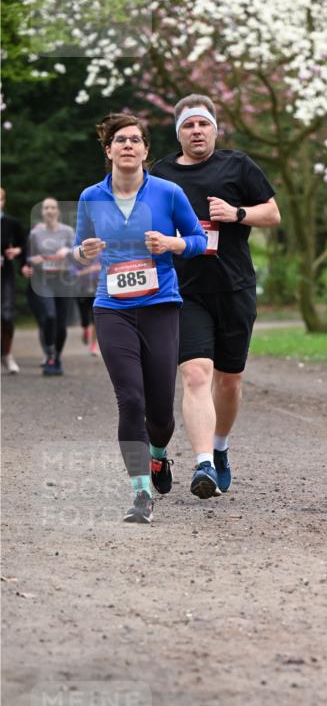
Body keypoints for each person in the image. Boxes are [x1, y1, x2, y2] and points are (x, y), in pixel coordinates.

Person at [73, 112, 206, 523]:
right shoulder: (90, 197)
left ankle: (158, 455)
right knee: (129, 399)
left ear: (146, 150)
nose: (128, 145)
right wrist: (84, 253)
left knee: (161, 411)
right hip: (112, 307)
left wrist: (172, 243)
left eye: (136, 140)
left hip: (160, 306)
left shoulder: (168, 193)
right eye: (120, 140)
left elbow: (199, 241)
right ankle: (140, 492)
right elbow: (79, 249)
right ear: (108, 149)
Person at [151, 94, 280, 499]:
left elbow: (273, 214)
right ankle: (203, 462)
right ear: (179, 133)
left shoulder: (237, 165)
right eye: (188, 125)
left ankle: (220, 447)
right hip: (184, 290)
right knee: (195, 374)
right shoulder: (162, 174)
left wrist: (237, 213)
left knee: (229, 380)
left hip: (234, 287)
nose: (196, 131)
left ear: (214, 128)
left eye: (203, 124)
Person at [24, 197, 75, 376]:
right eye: (46, 208)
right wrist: (33, 261)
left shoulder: (68, 231)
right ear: (42, 212)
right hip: (43, 280)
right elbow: (27, 257)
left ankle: (57, 357)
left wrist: (67, 251)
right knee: (50, 315)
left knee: (61, 325)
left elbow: (78, 254)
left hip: (63, 280)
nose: (50, 211)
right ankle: (50, 355)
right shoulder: (35, 234)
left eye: (53, 208)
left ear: (58, 211)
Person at [1, 187, 26, 374]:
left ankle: (6, 354)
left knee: (7, 315)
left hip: (6, 275)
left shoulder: (11, 223)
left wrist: (17, 252)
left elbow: (24, 244)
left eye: (0, 199)